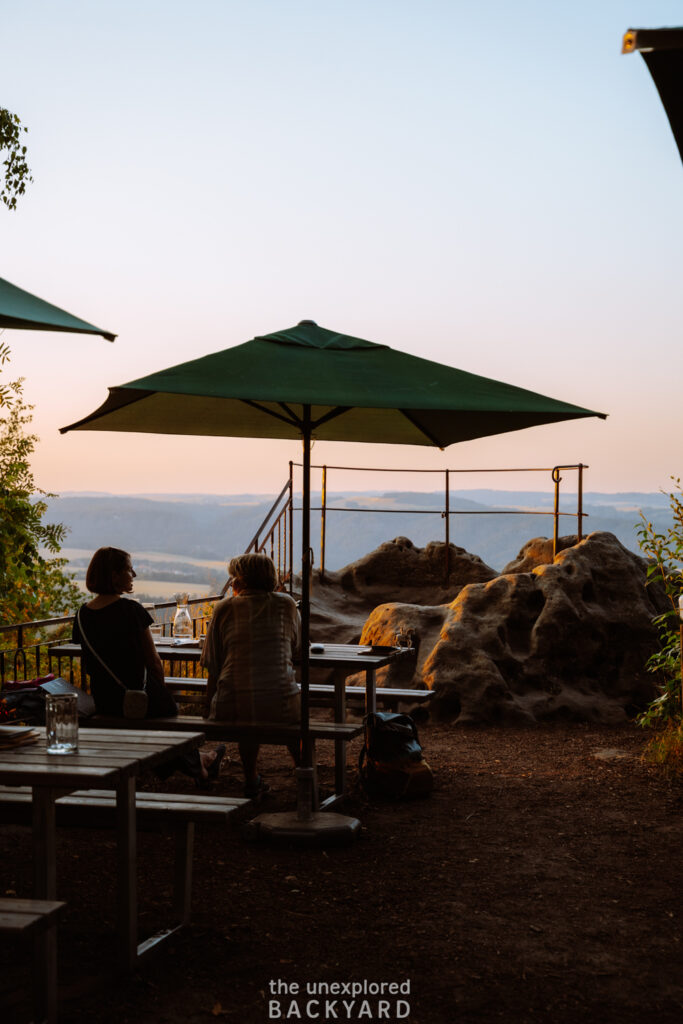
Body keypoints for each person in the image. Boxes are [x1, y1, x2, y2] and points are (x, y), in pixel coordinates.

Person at [73, 546, 224, 786]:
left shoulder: (82, 615)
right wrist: (160, 692)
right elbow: (153, 662)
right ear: (114, 575)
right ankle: (201, 769)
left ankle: (202, 761)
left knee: (162, 718)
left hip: (105, 699)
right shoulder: (132, 610)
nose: (133, 575)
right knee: (169, 712)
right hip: (138, 696)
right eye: (129, 570)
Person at [201, 552, 301, 798]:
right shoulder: (286, 604)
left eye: (233, 577)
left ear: (240, 581)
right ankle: (303, 773)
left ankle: (250, 779)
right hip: (282, 705)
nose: (232, 582)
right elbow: (295, 646)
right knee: (282, 703)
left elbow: (213, 663)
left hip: (232, 705)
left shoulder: (225, 608)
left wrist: (208, 703)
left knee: (247, 699)